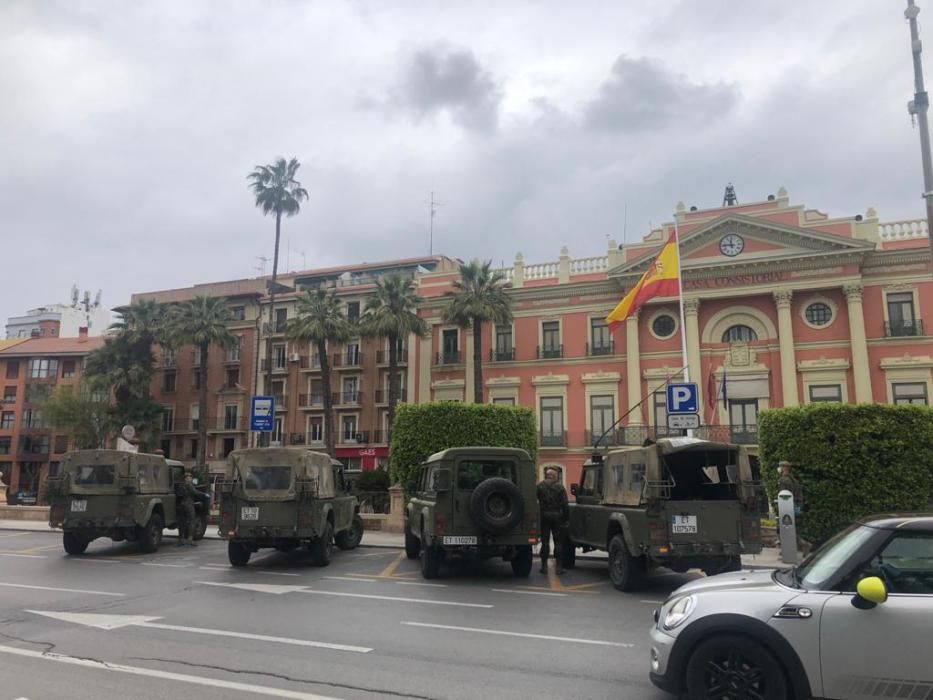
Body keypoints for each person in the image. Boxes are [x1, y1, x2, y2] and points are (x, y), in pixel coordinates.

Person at [536, 467, 569, 575]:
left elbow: (534, 500)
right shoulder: (560, 487)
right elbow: (565, 505)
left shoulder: (539, 486)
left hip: (543, 515)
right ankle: (559, 567)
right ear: (554, 476)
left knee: (545, 542)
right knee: (558, 542)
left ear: (547, 475)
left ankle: (544, 566)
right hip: (557, 517)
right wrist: (566, 518)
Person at [777, 461, 811, 555]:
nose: (778, 469)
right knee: (792, 528)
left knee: (785, 528)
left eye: (780, 466)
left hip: (787, 507)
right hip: (796, 507)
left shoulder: (783, 480)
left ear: (784, 468)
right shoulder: (794, 480)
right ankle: (801, 545)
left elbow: (783, 496)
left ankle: (801, 545)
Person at [175, 472, 200, 546]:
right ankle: (190, 539)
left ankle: (180, 539)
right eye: (190, 477)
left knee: (182, 523)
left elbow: (178, 494)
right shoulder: (189, 484)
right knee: (192, 521)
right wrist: (202, 494)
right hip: (188, 504)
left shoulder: (180, 485)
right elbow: (195, 492)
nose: (191, 479)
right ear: (186, 478)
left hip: (181, 505)